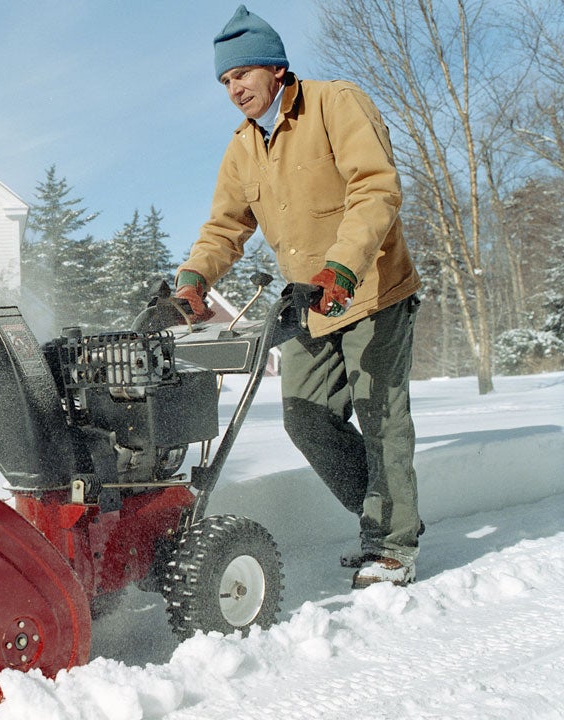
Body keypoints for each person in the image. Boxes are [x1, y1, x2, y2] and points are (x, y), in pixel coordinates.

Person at [173, 5, 423, 588]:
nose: (234, 89)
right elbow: (225, 227)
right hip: (309, 303)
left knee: (381, 415)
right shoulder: (242, 147)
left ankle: (392, 545)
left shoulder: (335, 102)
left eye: (241, 74)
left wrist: (344, 266)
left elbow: (376, 187)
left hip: (372, 288)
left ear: (275, 68)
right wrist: (195, 276)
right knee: (305, 416)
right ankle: (382, 516)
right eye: (225, 81)